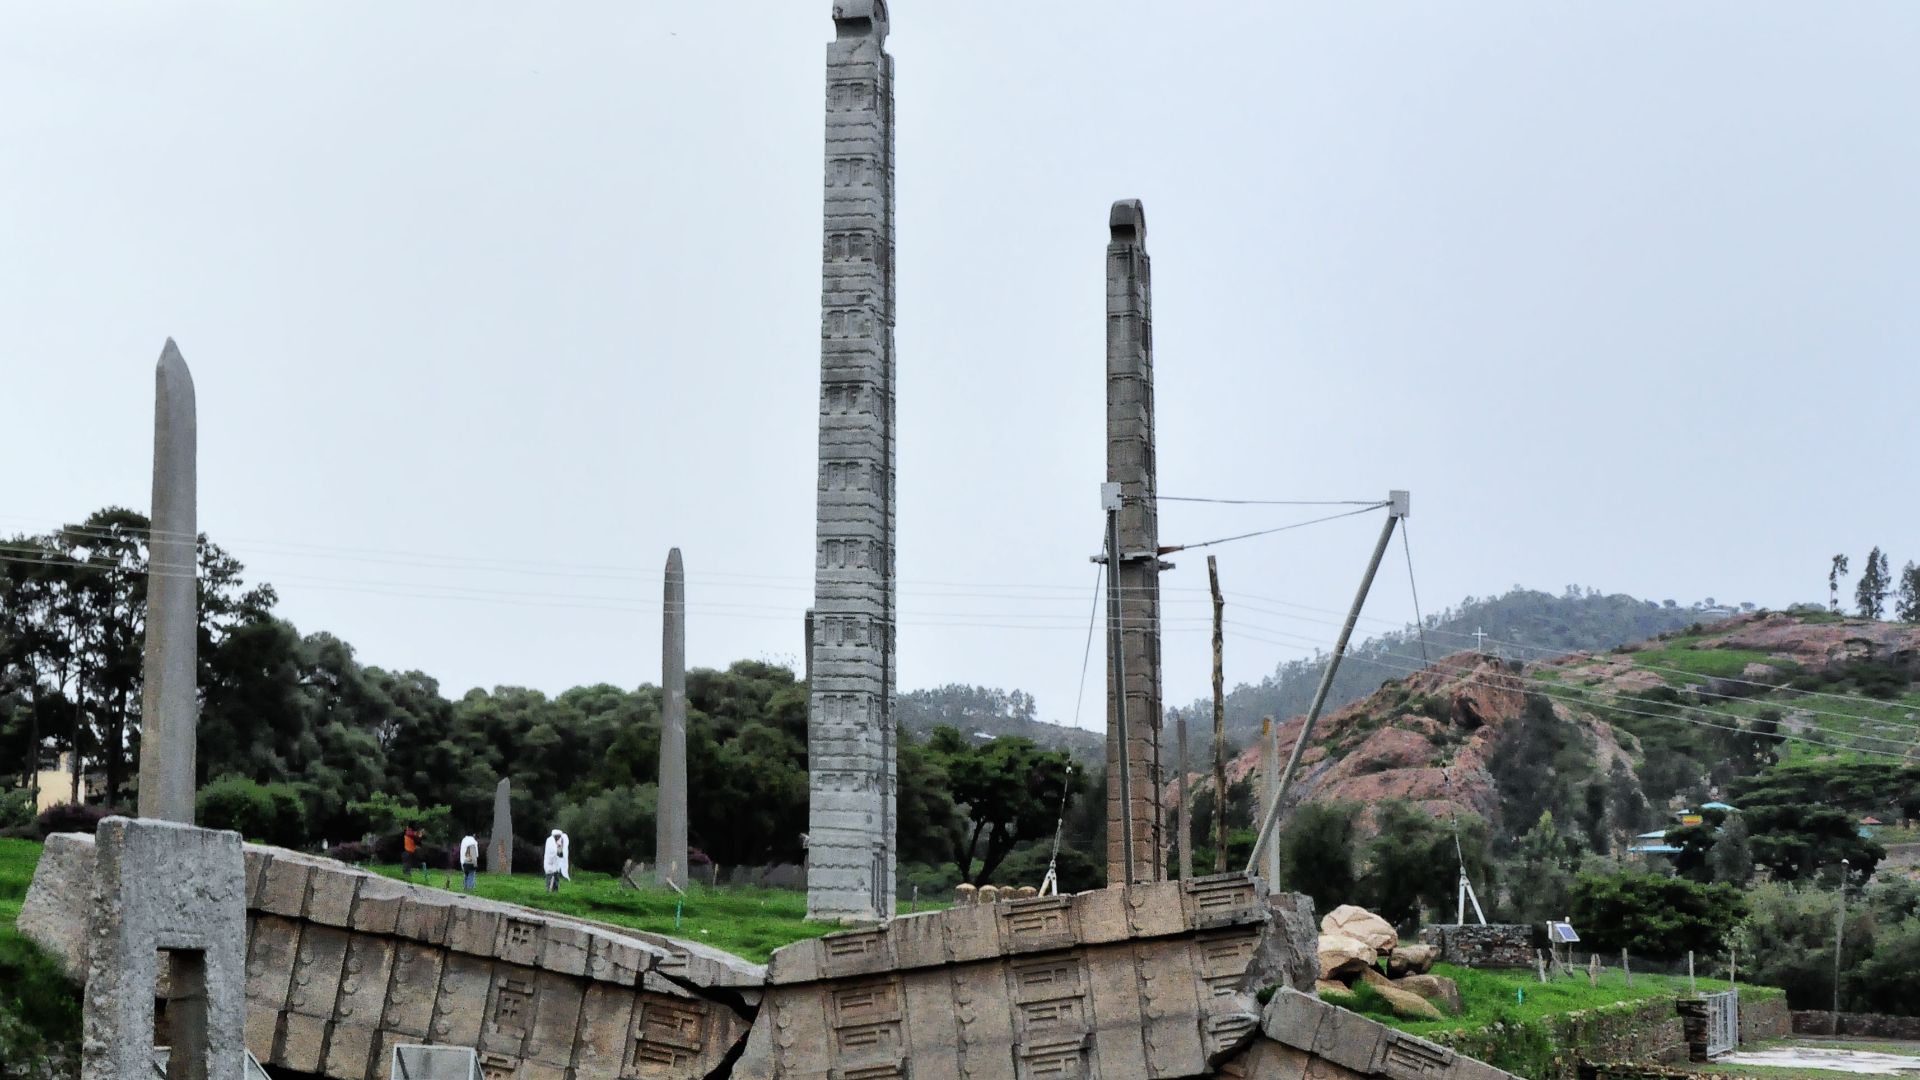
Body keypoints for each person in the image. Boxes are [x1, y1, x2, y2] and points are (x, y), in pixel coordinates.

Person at [543, 828, 570, 893]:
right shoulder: (550, 841)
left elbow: (560, 854)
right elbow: (551, 852)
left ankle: (555, 893)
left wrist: (560, 848)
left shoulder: (559, 843)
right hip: (550, 864)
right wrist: (557, 849)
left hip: (556, 866)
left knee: (556, 880)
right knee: (550, 879)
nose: (559, 837)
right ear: (555, 836)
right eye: (558, 836)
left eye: (559, 836)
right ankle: (548, 892)